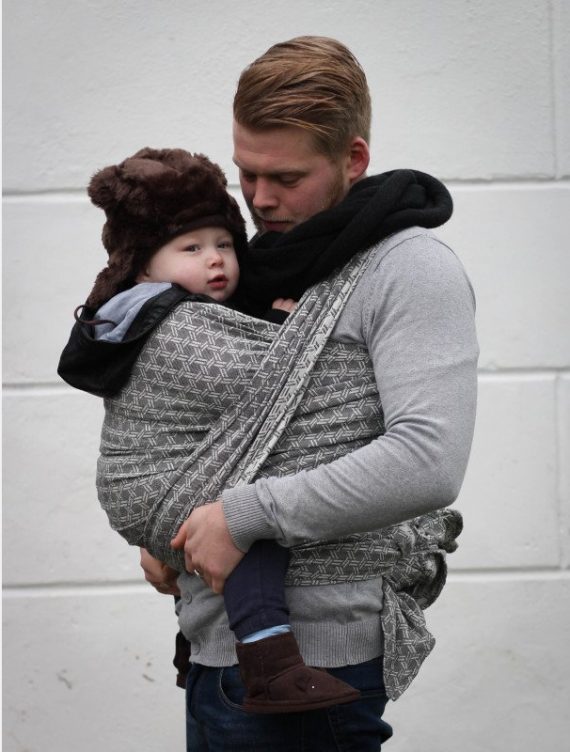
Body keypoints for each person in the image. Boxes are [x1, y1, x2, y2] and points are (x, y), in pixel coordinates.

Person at [150, 36, 477, 751]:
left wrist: (240, 516)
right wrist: (169, 530)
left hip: (316, 667)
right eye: (246, 173)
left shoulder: (408, 269)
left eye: (286, 177)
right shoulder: (252, 269)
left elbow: (428, 459)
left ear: (352, 159)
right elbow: (232, 431)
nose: (260, 198)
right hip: (210, 650)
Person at [58, 146, 361, 714]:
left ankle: (192, 645)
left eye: (224, 243)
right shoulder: (168, 315)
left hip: (164, 479)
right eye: (191, 248)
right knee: (253, 523)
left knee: (242, 512)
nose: (216, 259)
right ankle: (270, 662)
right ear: (144, 266)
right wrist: (285, 330)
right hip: (154, 479)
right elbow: (256, 379)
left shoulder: (139, 310)